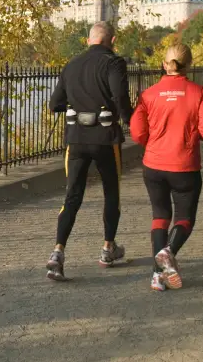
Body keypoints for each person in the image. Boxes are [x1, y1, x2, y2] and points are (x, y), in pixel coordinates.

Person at [46, 21, 133, 281]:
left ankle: (57, 253)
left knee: (72, 197)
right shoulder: (114, 63)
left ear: (88, 41)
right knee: (111, 194)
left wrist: (76, 107)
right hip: (105, 139)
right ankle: (108, 248)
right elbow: (120, 98)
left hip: (76, 140)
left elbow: (55, 104)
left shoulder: (71, 65)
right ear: (112, 40)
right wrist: (132, 122)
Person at [130, 43, 203, 291]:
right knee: (184, 218)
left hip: (153, 164)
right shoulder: (200, 92)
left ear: (164, 64)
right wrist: (194, 136)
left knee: (160, 216)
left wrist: (154, 143)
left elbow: (137, 132)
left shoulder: (148, 94)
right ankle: (168, 252)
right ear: (189, 65)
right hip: (184, 165)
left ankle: (157, 277)